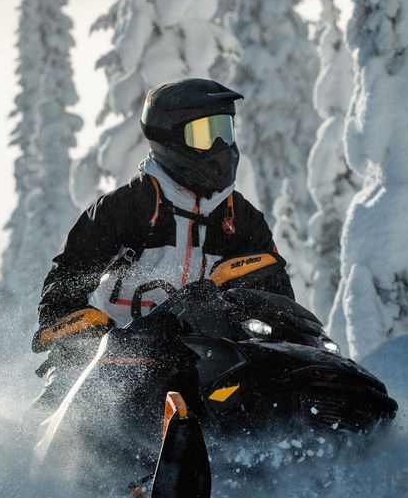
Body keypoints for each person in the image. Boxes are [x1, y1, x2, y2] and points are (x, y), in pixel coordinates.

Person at [30, 78, 296, 411]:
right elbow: (66, 280)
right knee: (61, 404)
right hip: (113, 362)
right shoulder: (124, 209)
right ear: (168, 138)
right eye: (204, 134)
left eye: (224, 131)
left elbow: (276, 298)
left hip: (204, 366)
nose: (220, 147)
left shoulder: (241, 219)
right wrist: (80, 332)